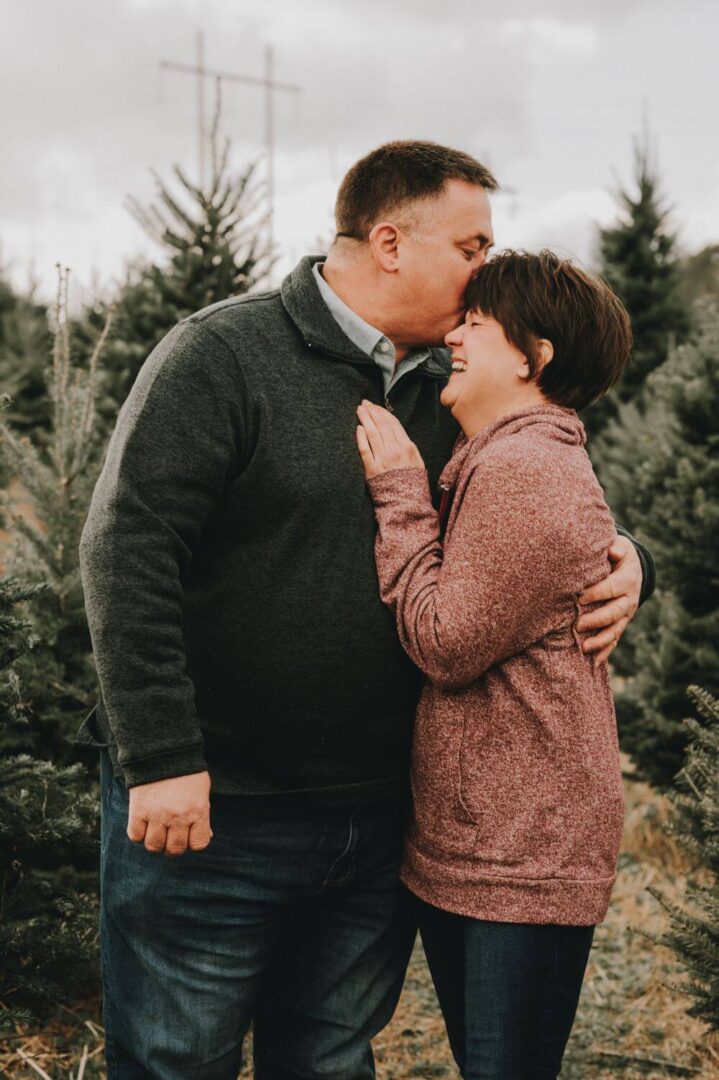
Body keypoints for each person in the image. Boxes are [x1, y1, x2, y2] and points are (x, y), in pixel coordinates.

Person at [77, 142, 653, 1080]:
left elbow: (549, 500)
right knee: (178, 1059)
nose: (485, 271)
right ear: (390, 242)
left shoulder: (455, 382)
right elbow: (126, 547)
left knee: (331, 1058)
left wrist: (634, 559)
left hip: (378, 819)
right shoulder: (222, 354)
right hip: (220, 809)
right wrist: (162, 757)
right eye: (472, 245)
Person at [355, 249, 635, 1079]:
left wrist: (401, 495)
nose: (453, 335)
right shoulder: (501, 456)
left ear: (532, 355)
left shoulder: (523, 471)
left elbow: (445, 644)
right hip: (486, 848)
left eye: (475, 323)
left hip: (522, 855)